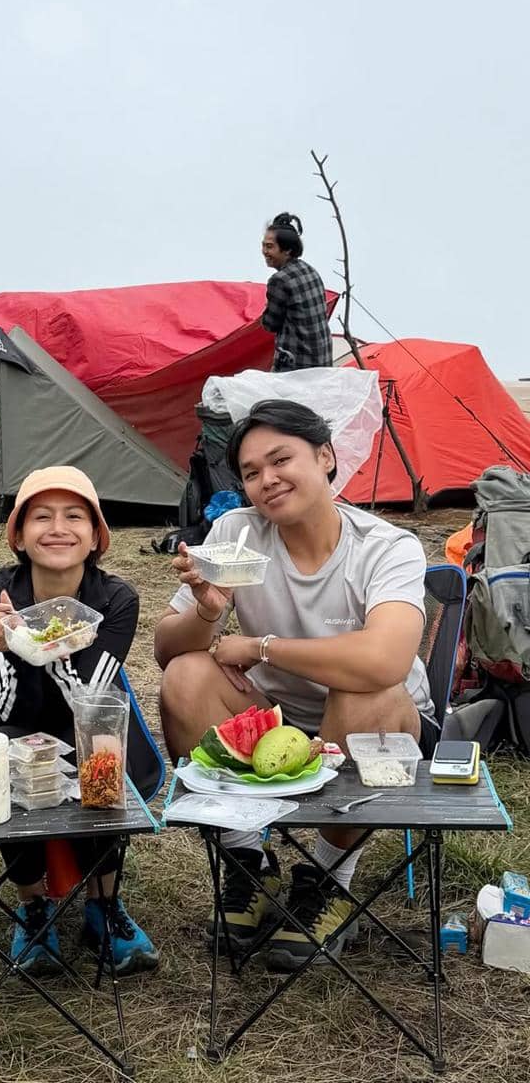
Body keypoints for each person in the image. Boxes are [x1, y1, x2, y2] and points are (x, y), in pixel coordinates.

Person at [156, 400, 439, 971]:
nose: (267, 481)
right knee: (187, 676)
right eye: (252, 473)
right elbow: (167, 648)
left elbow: (384, 660)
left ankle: (328, 879)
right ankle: (248, 866)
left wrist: (262, 648)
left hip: (383, 725)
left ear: (326, 456)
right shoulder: (236, 533)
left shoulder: (386, 546)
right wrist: (209, 614)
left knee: (366, 689)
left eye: (281, 459)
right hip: (278, 720)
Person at [0, 466, 159, 976]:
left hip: (86, 720)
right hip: (15, 724)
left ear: (96, 536)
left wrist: (42, 645)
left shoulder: (115, 600)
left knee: (102, 751)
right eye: (41, 516)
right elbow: (3, 706)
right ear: (19, 535)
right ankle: (33, 907)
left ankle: (103, 903)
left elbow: (91, 699)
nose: (58, 527)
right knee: (7, 754)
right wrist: (3, 646)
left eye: (75, 516)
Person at [260, 213, 332, 372]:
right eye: (263, 245)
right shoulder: (310, 270)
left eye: (270, 246)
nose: (264, 251)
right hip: (323, 361)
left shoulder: (279, 281)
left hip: (297, 365)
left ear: (287, 250)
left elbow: (270, 324)